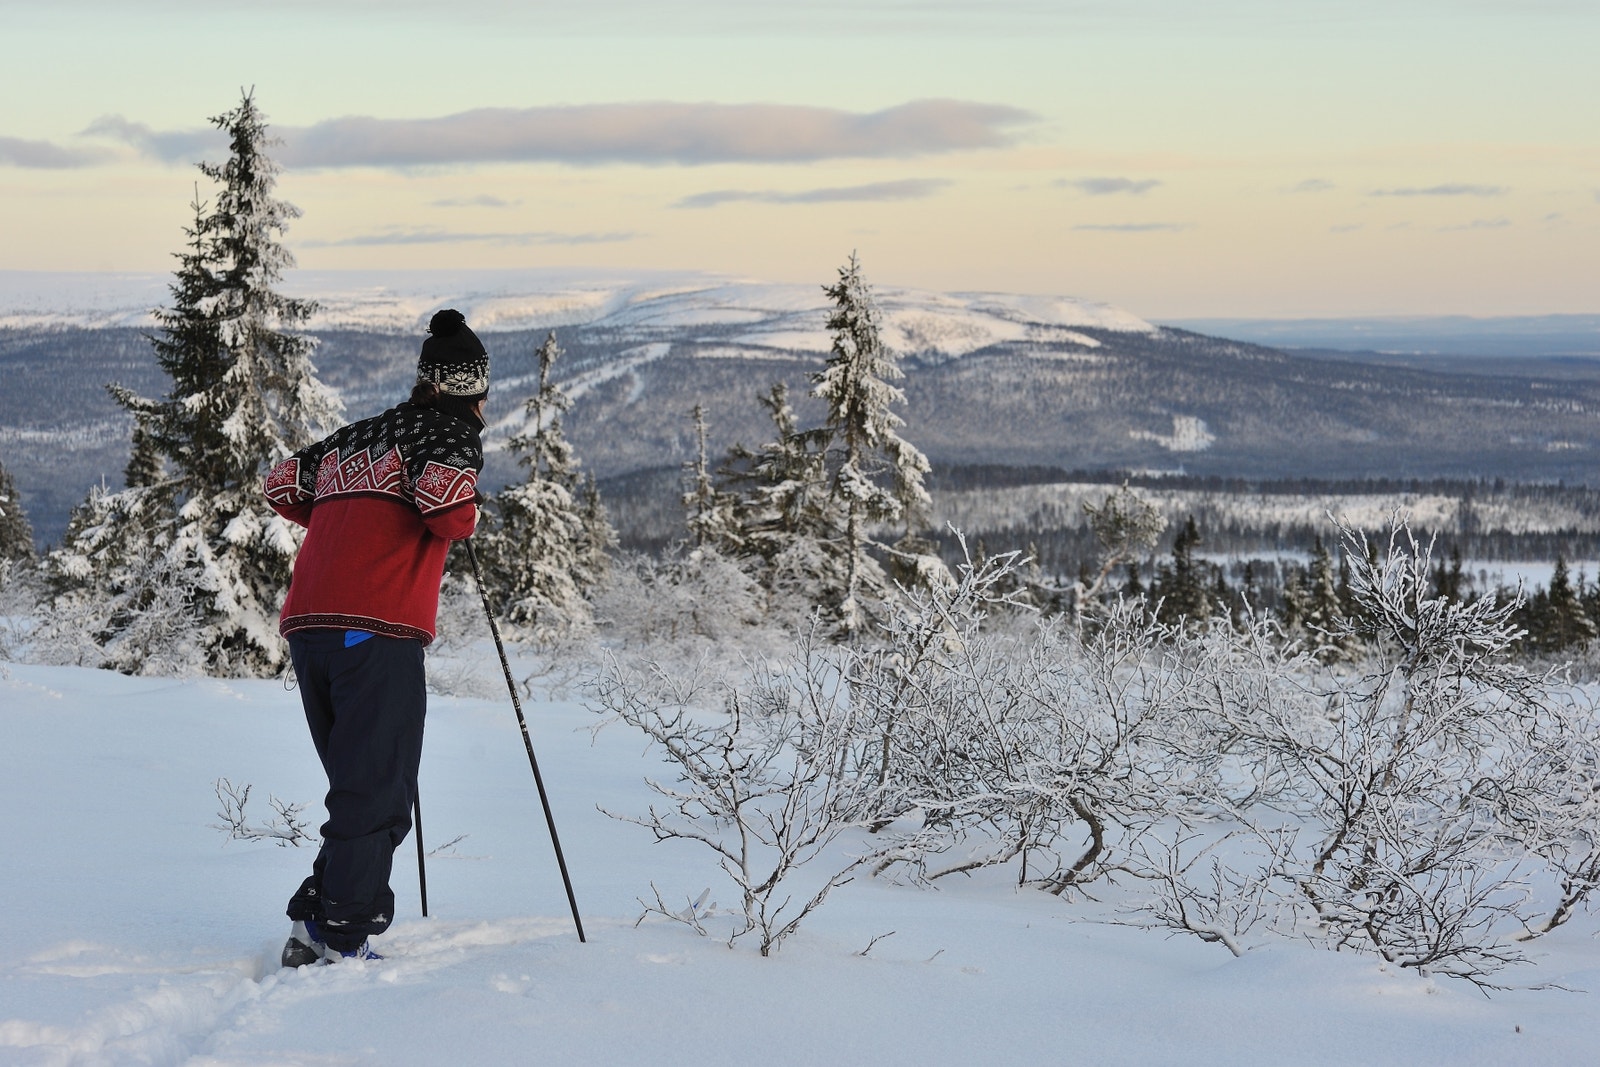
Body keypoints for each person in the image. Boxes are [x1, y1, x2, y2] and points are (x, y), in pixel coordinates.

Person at [263, 308, 488, 965]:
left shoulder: (359, 434)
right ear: (471, 390)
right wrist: (467, 513)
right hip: (375, 626)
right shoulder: (448, 430)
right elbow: (447, 513)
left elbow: (280, 482)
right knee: (379, 790)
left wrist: (343, 515)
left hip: (310, 626)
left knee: (361, 785)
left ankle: (319, 921)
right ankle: (338, 935)